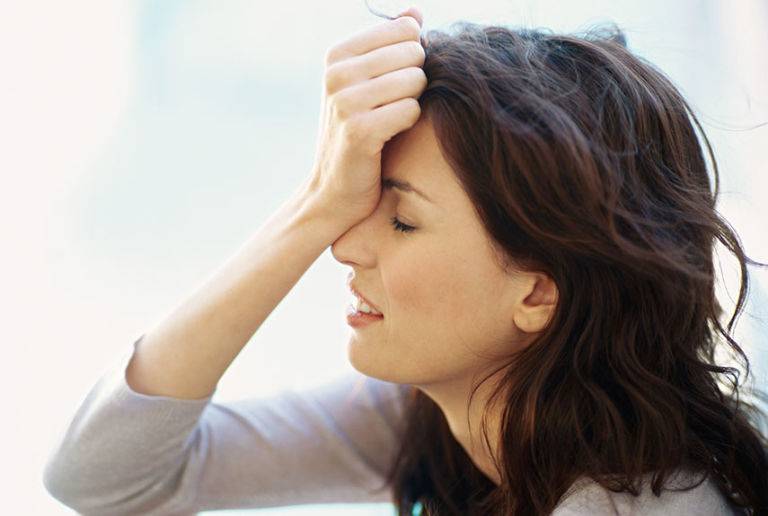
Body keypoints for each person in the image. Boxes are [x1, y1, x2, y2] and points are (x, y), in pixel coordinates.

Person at [42, 4, 767, 515]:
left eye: (403, 220)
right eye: (355, 206)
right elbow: (104, 479)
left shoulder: (627, 504)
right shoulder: (436, 416)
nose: (344, 244)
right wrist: (314, 204)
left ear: (538, 294)